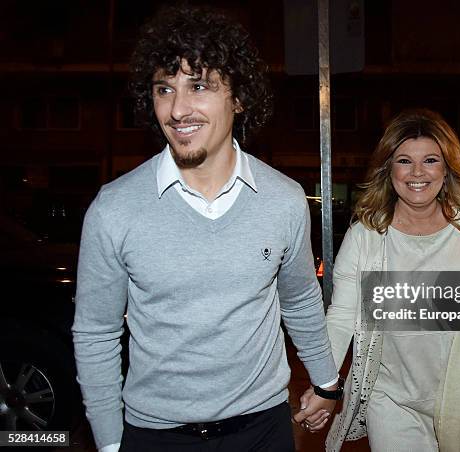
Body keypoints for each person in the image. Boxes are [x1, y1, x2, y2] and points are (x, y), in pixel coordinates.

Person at [72, 5, 339, 452]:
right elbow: (96, 333)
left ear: (238, 97)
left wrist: (328, 382)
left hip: (264, 430)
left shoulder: (284, 199)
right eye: (164, 89)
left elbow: (299, 301)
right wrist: (109, 444)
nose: (178, 109)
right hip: (155, 436)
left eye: (199, 86)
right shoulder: (114, 209)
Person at [301, 108, 460, 449]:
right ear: (388, 168)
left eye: (431, 160)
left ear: (447, 167)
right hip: (392, 402)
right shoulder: (367, 233)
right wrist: (324, 385)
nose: (417, 172)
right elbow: (343, 316)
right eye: (404, 161)